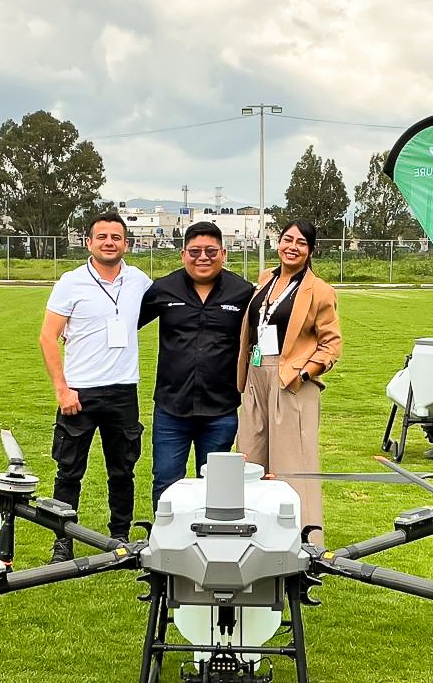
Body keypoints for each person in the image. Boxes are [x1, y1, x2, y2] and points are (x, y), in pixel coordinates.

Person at [39, 211, 152, 561]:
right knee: (69, 471)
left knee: (123, 470)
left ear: (126, 244)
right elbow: (48, 337)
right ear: (89, 242)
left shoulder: (139, 280)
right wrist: (62, 389)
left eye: (116, 237)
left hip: (123, 391)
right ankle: (63, 541)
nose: (109, 243)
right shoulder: (71, 282)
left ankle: (120, 537)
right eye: (102, 237)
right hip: (79, 392)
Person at [235, 218, 342, 539]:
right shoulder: (266, 279)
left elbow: (331, 344)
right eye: (287, 239)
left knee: (293, 465)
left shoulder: (319, 291)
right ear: (278, 242)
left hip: (291, 381)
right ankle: (255, 536)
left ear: (311, 251)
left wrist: (304, 373)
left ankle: (305, 540)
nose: (292, 247)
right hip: (256, 374)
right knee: (249, 460)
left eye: (301, 243)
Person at [138, 221, 255, 511]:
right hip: (171, 409)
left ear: (223, 253)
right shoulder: (163, 289)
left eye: (211, 251)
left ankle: (209, 537)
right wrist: (75, 328)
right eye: (195, 251)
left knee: (216, 486)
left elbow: (268, 331)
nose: (203, 257)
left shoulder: (242, 292)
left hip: (221, 410)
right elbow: (124, 322)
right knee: (166, 483)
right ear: (183, 254)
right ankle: (166, 536)